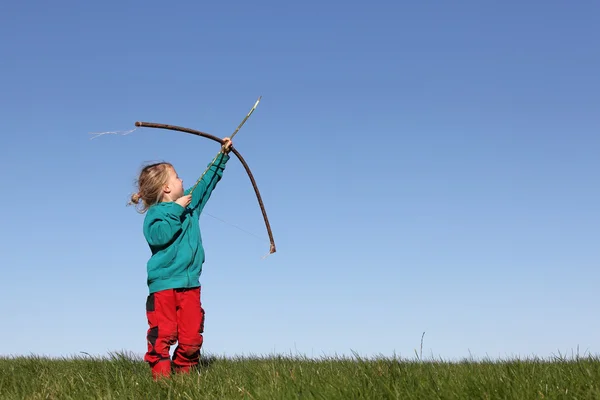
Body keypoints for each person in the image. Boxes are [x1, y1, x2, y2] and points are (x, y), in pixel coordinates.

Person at [129, 137, 233, 380]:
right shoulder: (156, 214)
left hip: (190, 285)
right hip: (164, 286)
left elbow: (206, 182)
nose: (182, 180)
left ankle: (184, 379)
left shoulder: (189, 204)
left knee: (191, 337)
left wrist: (222, 156)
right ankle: (161, 383)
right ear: (166, 188)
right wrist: (177, 209)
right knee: (162, 334)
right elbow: (159, 237)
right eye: (176, 178)